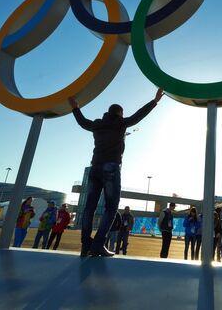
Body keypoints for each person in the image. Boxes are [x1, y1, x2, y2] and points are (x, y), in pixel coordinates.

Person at [69, 88, 164, 257]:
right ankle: (98, 244)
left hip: (95, 167)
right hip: (111, 167)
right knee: (111, 207)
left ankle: (86, 245)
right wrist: (155, 101)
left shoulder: (97, 124)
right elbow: (138, 116)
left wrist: (75, 107)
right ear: (119, 113)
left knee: (89, 207)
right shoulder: (120, 123)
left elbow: (82, 122)